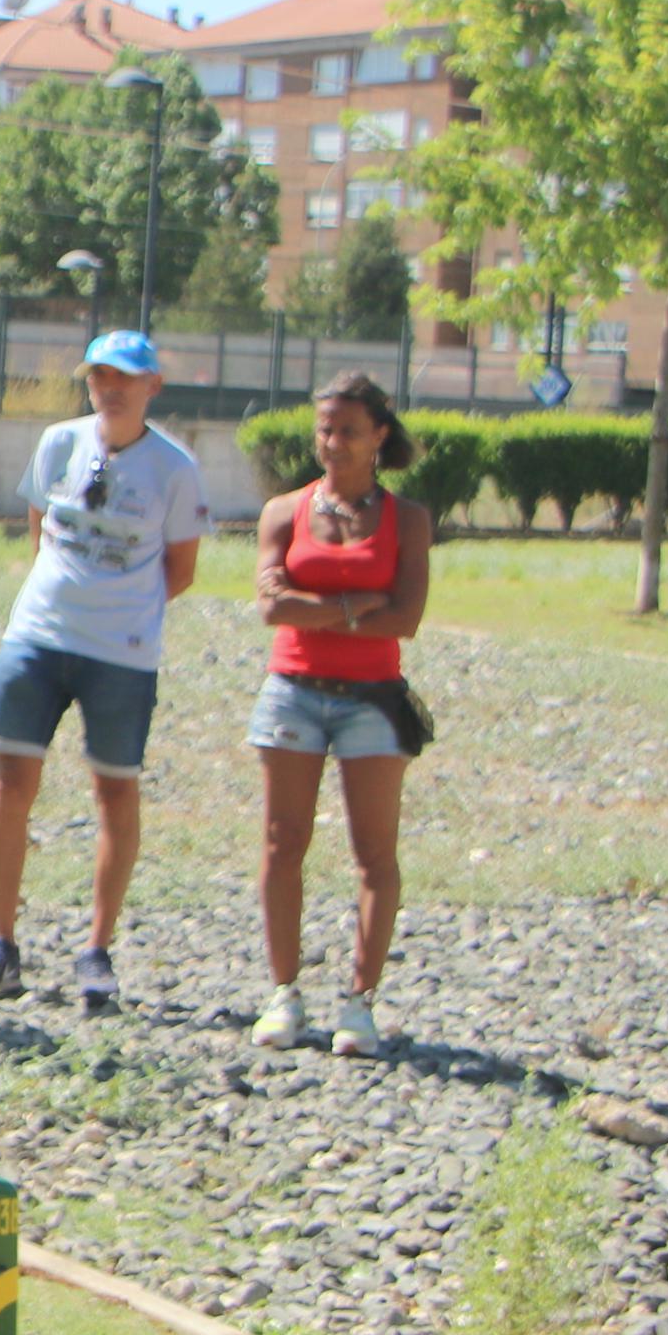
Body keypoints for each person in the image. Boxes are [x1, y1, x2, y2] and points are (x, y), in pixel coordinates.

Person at [0, 329, 209, 1017]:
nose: (110, 387)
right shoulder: (58, 444)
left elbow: (180, 570)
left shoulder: (174, 468)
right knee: (10, 783)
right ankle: (0, 943)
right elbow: (39, 532)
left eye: (125, 376)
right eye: (99, 375)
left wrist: (117, 608)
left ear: (152, 386)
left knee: (113, 792)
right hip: (36, 636)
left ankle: (96, 949)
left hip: (121, 651)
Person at [247, 372, 430, 1058]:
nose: (332, 443)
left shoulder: (406, 519)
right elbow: (271, 606)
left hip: (373, 700)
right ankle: (283, 993)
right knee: (280, 841)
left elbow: (406, 616)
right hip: (292, 688)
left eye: (348, 430)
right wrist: (359, 606)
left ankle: (359, 1003)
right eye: (324, 429)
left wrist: (314, 602)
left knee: (373, 852)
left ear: (379, 435)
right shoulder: (282, 511)